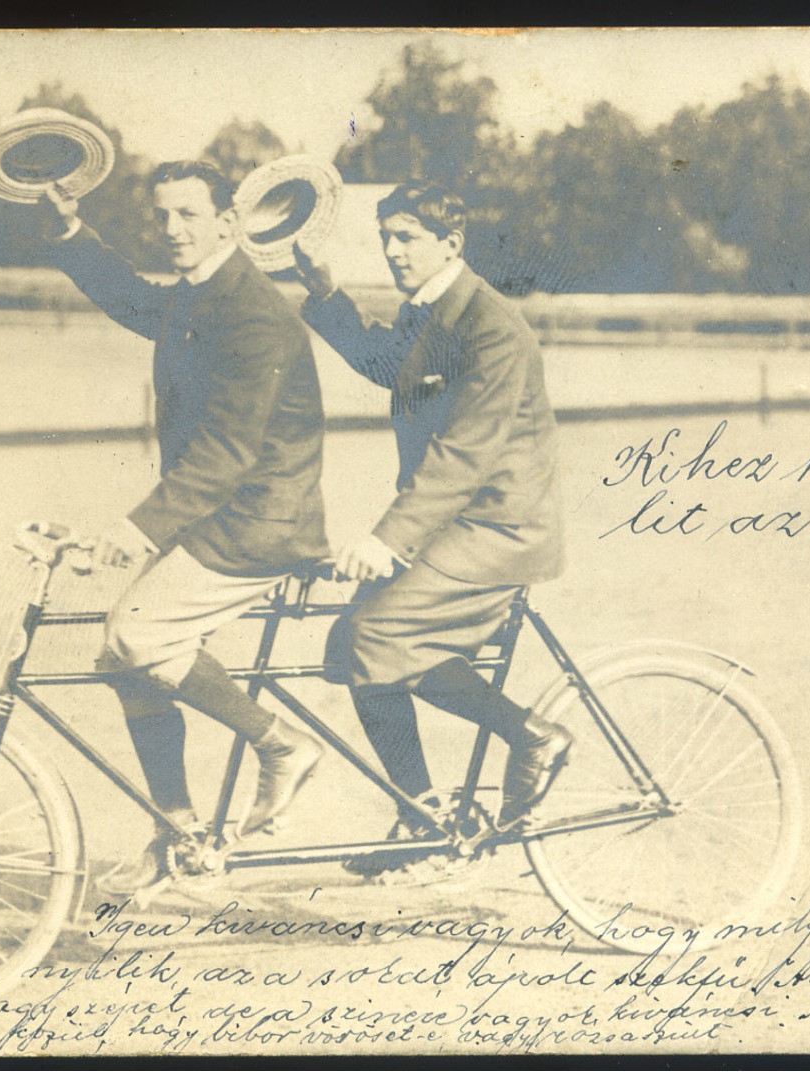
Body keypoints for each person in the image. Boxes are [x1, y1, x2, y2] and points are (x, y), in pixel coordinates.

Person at [36, 161, 328, 891]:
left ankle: (282, 744)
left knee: (138, 635)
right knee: (120, 656)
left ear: (228, 222)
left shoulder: (254, 313)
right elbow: (132, 298)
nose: (172, 231)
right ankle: (179, 832)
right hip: (215, 514)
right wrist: (71, 229)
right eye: (162, 216)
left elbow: (229, 449)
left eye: (189, 216)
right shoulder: (200, 293)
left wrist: (138, 530)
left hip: (262, 519)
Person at [292, 180, 570, 855]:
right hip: (456, 523)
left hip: (500, 527)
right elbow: (388, 364)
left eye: (406, 236)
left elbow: (464, 457)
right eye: (386, 236)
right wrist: (327, 295)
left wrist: (387, 539)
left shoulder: (491, 326)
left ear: (451, 242)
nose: (391, 250)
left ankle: (530, 734)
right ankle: (422, 814)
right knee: (355, 648)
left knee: (371, 635)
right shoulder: (434, 312)